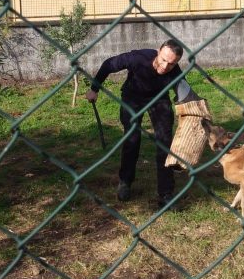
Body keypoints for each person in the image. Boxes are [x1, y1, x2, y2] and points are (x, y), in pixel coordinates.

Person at [85, 38, 198, 210]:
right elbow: (109, 64)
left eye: (171, 64)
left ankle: (166, 195)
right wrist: (94, 88)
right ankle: (125, 181)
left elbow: (185, 92)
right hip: (132, 97)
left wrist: (196, 109)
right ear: (158, 52)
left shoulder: (175, 72)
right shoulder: (137, 58)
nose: (166, 66)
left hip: (159, 99)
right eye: (164, 60)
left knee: (164, 143)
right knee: (132, 139)